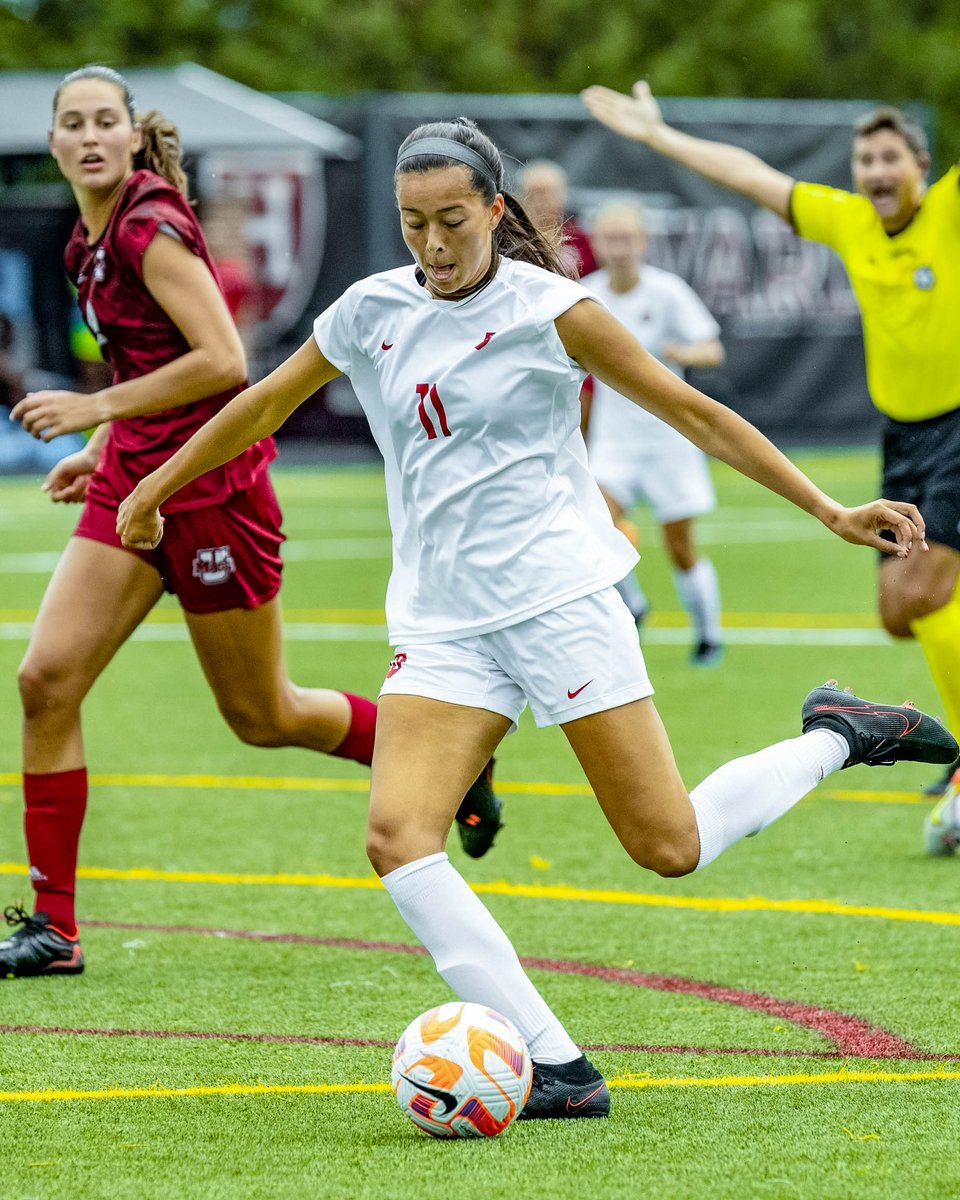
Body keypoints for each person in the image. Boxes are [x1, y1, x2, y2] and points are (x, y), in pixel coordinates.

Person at [114, 117, 956, 1119]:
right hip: (442, 622)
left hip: (560, 603)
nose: (431, 244)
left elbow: (697, 413)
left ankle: (838, 734)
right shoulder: (368, 309)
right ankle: (557, 1065)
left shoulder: (557, 312)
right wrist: (153, 484)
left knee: (668, 844)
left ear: (496, 210)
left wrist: (827, 507)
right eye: (413, 222)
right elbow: (258, 406)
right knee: (397, 836)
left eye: (453, 221)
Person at [0, 68, 499, 982]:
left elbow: (224, 362)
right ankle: (54, 927)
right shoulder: (88, 238)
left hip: (214, 493)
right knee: (45, 682)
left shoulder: (148, 227)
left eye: (105, 119)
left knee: (264, 715)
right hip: (130, 483)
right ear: (57, 142)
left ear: (129, 132)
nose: (90, 135)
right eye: (73, 124)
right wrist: (106, 442)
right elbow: (151, 362)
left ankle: (451, 766)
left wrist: (90, 408)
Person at [582, 81, 960, 844]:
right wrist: (660, 136)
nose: (878, 171)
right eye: (866, 159)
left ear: (922, 166)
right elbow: (749, 175)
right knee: (898, 609)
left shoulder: (949, 212)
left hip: (958, 426)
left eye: (892, 157)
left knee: (925, 587)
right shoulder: (852, 222)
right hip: (903, 437)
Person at [584, 201, 725, 665]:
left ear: (642, 242)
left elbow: (711, 349)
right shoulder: (587, 297)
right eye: (611, 239)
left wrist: (680, 350)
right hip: (614, 441)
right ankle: (634, 603)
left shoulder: (668, 293)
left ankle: (708, 635)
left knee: (680, 546)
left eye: (628, 238)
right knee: (594, 525)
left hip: (669, 440)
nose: (620, 248)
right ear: (598, 244)